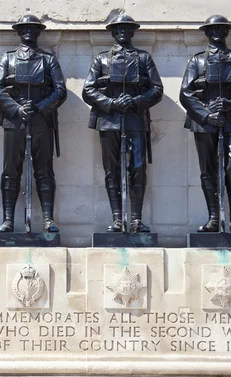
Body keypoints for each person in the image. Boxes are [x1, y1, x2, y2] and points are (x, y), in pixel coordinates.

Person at [82, 15, 163, 233]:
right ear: (113, 32)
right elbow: (88, 90)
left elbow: (157, 90)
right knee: (112, 170)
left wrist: (136, 101)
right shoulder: (101, 59)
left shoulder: (144, 58)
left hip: (136, 120)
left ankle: (136, 218)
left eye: (127, 29)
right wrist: (111, 103)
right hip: (109, 121)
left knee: (137, 168)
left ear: (133, 32)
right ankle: (118, 218)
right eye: (119, 29)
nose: (123, 33)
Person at [179, 15, 231, 233]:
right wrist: (206, 116)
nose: (217, 32)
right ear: (206, 32)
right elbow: (185, 94)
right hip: (204, 122)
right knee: (208, 169)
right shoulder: (197, 61)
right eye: (213, 29)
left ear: (227, 32)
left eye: (222, 29)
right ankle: (214, 218)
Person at [0, 15, 67, 233]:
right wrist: (16, 108)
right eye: (25, 29)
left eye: (33, 29)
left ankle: (48, 219)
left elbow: (60, 90)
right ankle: (8, 220)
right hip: (14, 120)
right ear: (19, 31)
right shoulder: (8, 59)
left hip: (41, 120)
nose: (29, 32)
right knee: (10, 170)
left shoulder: (48, 59)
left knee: (44, 170)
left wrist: (41, 106)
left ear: (38, 32)